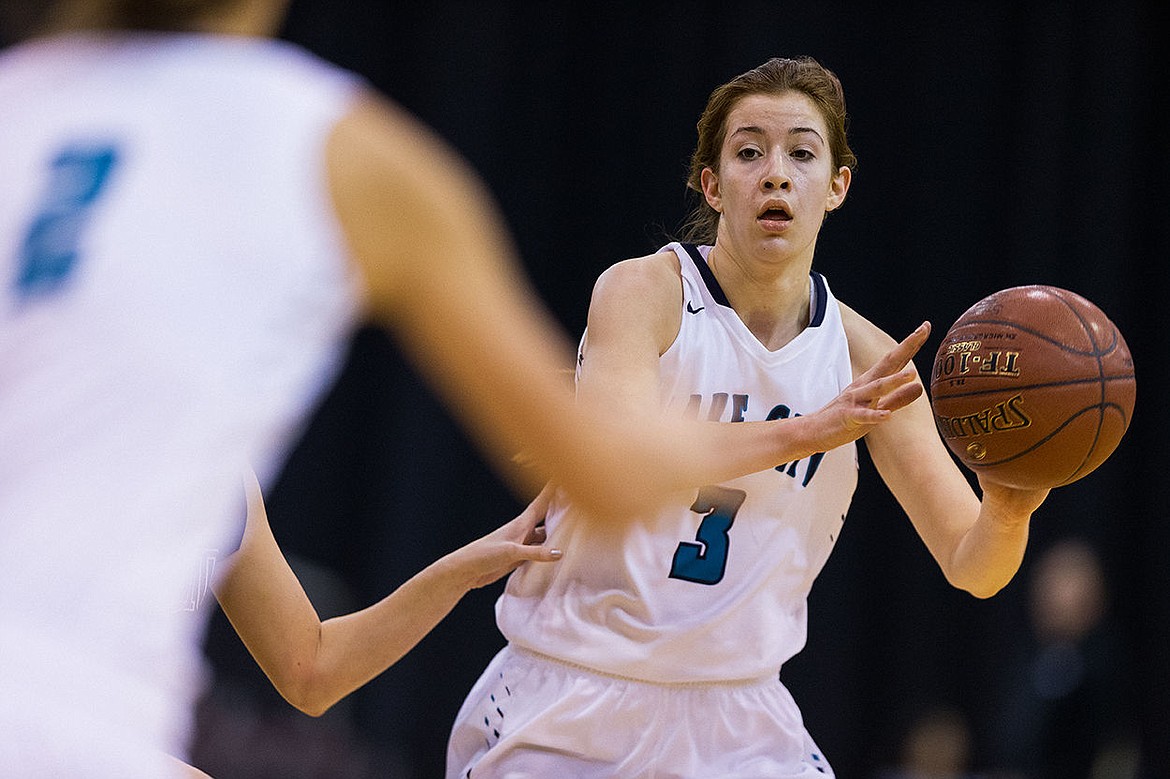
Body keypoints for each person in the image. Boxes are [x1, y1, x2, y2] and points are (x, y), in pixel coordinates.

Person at [0, 4, 928, 775]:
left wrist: (471, 555)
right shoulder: (331, 141)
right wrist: (771, 428)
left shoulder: (20, 105)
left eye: (800, 155)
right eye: (751, 153)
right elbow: (610, 470)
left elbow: (308, 667)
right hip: (83, 721)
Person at [446, 56, 1052, 779]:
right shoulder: (645, 293)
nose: (774, 173)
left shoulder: (868, 360)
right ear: (713, 183)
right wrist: (808, 430)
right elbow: (622, 453)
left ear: (836, 187)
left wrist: (1010, 507)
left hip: (740, 715)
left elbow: (972, 565)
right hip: (573, 688)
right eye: (748, 152)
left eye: (801, 152)